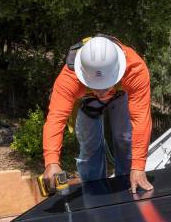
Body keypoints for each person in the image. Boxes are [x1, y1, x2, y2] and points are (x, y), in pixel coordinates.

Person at [42, 35, 154, 193]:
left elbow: (141, 118)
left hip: (120, 94)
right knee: (90, 147)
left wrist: (138, 166)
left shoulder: (134, 68)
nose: (101, 93)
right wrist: (51, 161)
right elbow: (55, 120)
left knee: (124, 138)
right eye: (96, 87)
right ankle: (95, 192)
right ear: (83, 74)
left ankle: (130, 183)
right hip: (85, 99)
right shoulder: (69, 78)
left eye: (106, 86)